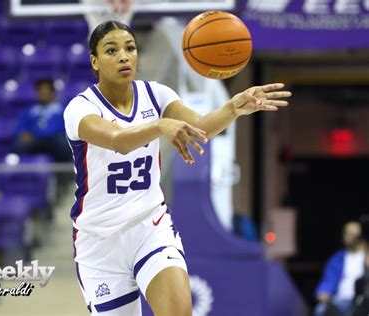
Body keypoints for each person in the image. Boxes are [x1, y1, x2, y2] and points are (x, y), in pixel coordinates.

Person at [63, 21, 291, 315]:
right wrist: (159, 125)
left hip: (150, 226)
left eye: (130, 48)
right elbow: (117, 140)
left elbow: (199, 127)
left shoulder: (156, 94)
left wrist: (232, 108)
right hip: (99, 240)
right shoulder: (81, 108)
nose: (124, 56)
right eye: (112, 50)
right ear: (94, 61)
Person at [13, 78, 71, 162]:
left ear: (52, 93)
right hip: (35, 138)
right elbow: (20, 126)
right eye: (41, 92)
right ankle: (22, 173)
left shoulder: (62, 108)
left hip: (56, 138)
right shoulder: (29, 109)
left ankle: (63, 174)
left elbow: (69, 125)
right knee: (20, 144)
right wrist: (23, 133)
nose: (43, 94)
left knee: (64, 144)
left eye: (46, 91)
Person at [314, 221, 366, 316]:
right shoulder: (337, 258)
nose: (351, 237)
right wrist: (323, 293)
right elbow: (328, 281)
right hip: (341, 299)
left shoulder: (366, 257)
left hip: (363, 299)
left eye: (354, 234)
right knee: (321, 310)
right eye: (348, 234)